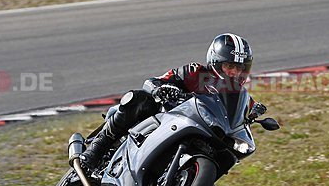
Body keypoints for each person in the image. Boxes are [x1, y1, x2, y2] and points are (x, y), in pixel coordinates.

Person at [79, 33, 256, 171]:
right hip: (167, 118)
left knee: (229, 150)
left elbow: (241, 118)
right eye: (230, 66)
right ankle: (96, 150)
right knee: (139, 99)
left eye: (239, 68)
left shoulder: (239, 96)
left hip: (204, 132)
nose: (234, 73)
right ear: (216, 63)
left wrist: (254, 117)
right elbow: (155, 81)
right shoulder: (195, 73)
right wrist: (160, 88)